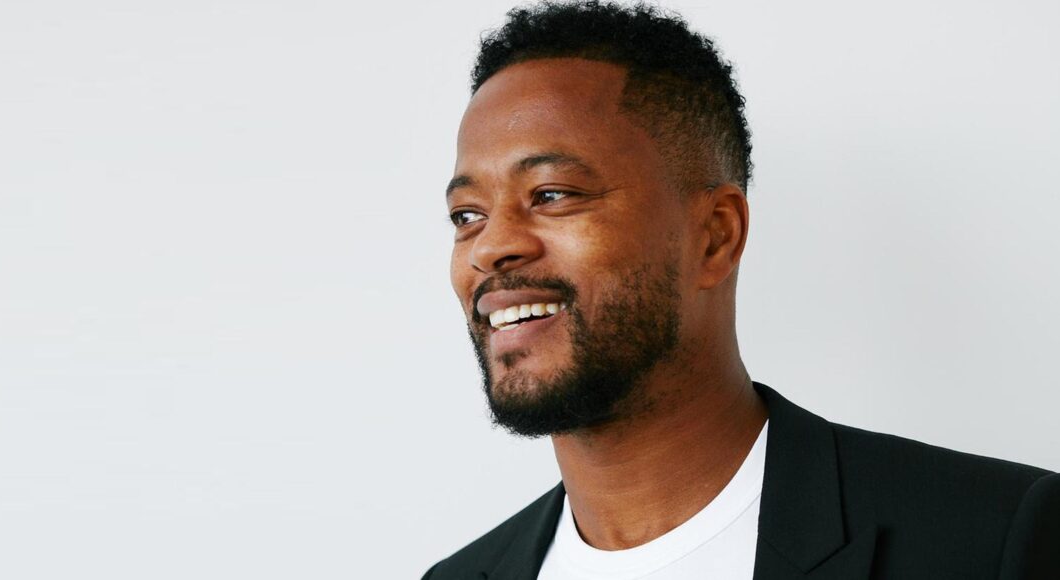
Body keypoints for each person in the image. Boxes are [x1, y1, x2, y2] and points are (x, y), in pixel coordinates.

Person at [425, 2, 1060, 578]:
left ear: (715, 237)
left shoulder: (992, 538)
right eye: (467, 215)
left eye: (552, 194)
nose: (489, 247)